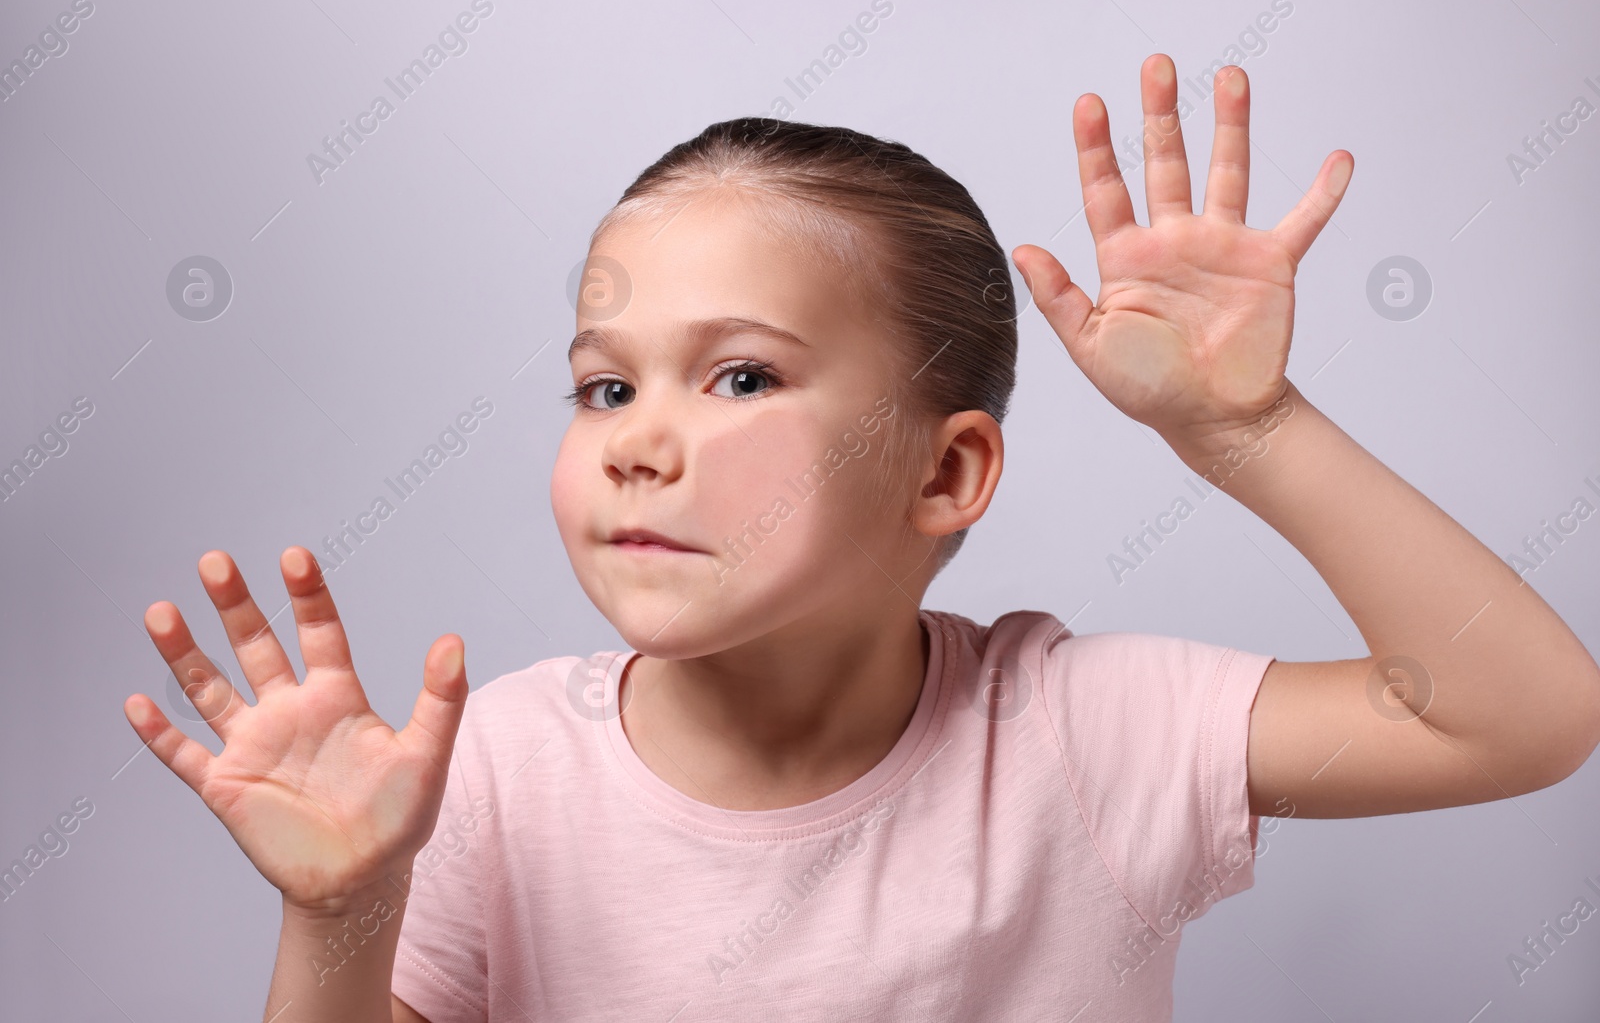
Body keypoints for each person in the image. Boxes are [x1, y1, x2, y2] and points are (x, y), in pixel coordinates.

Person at [123, 55, 1600, 1022]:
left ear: (948, 474)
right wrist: (341, 914)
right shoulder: (501, 774)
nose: (638, 436)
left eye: (743, 375)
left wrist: (1247, 431)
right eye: (605, 384)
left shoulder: (1085, 736)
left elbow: (1519, 721)